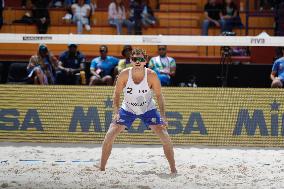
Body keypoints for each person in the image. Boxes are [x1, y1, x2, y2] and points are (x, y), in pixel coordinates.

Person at [99, 48, 177, 173]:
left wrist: (163, 115)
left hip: (148, 109)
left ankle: (173, 169)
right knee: (109, 136)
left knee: (165, 138)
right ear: (131, 60)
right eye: (135, 59)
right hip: (128, 108)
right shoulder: (124, 74)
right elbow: (116, 94)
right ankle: (101, 168)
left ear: (145, 61)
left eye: (141, 59)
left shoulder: (151, 75)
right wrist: (116, 112)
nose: (137, 62)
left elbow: (159, 96)